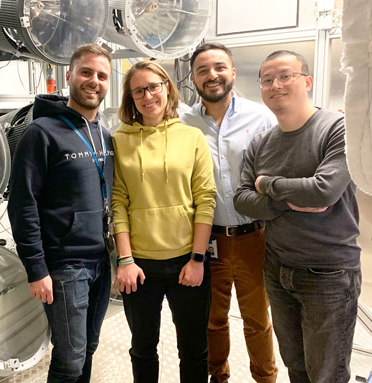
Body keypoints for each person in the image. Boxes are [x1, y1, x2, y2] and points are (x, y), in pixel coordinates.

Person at [233, 50, 362, 383]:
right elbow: (242, 200)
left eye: (285, 75)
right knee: (295, 365)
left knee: (327, 373)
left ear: (307, 81)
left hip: (328, 273)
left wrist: (267, 184)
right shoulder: (260, 143)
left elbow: (323, 192)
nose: (275, 85)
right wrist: (289, 199)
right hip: (277, 269)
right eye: (267, 79)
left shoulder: (338, 128)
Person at [8, 44, 114, 383]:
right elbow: (22, 205)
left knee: (89, 347)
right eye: (86, 72)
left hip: (101, 261)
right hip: (66, 265)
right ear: (69, 76)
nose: (93, 81)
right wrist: (36, 269)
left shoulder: (106, 135)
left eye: (102, 75)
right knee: (69, 360)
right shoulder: (40, 133)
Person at [111, 60, 216, 383]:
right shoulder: (120, 140)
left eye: (153, 87)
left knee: (194, 349)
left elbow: (205, 199)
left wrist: (197, 259)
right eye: (138, 91)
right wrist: (125, 260)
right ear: (131, 98)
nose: (147, 96)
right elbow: (119, 203)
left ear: (167, 87)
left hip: (188, 261)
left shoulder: (192, 137)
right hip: (139, 266)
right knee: (143, 348)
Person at [180, 42, 278, 383]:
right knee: (212, 320)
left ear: (233, 72)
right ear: (193, 79)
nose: (212, 75)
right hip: (207, 241)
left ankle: (265, 378)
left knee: (257, 320)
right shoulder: (183, 122)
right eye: (203, 70)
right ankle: (218, 376)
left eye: (219, 67)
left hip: (254, 237)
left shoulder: (261, 117)